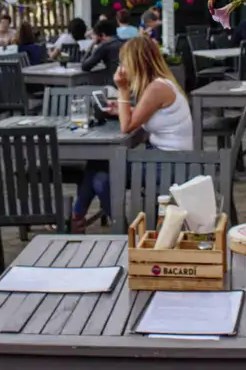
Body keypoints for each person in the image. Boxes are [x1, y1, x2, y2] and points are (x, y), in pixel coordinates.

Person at [70, 36, 193, 231]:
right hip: (163, 158)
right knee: (98, 166)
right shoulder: (160, 84)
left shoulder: (156, 88)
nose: (121, 66)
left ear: (136, 62)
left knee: (101, 177)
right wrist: (121, 109)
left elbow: (126, 128)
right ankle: (81, 218)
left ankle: (108, 226)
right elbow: (145, 115)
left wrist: (123, 90)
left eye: (124, 61)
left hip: (171, 163)